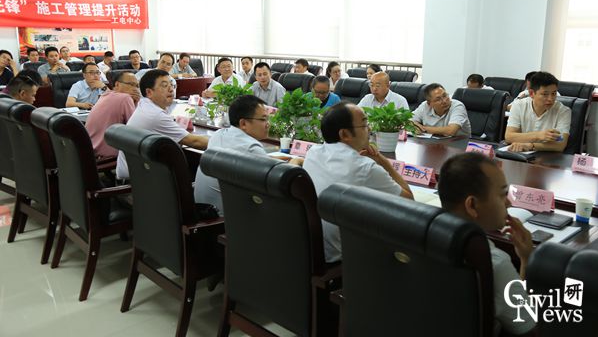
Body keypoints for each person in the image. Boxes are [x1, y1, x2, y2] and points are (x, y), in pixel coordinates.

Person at [437, 153, 536, 336]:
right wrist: (527, 261)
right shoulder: (494, 263)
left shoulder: (422, 236)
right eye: (502, 194)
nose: (509, 202)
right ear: (472, 205)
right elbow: (529, 328)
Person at [303, 102, 413, 262]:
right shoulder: (365, 167)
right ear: (345, 134)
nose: (370, 129)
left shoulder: (313, 152)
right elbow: (409, 201)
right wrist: (384, 162)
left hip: (311, 249)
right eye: (365, 124)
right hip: (344, 256)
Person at [194, 95, 303, 215]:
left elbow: (239, 157)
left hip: (203, 209)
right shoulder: (251, 147)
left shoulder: (219, 134)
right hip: (225, 219)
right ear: (243, 123)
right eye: (263, 119)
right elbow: (281, 183)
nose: (268, 124)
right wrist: (296, 162)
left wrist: (269, 160)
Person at [116, 70, 209, 180]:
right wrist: (222, 142)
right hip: (141, 177)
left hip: (138, 166)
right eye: (164, 86)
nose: (171, 89)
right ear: (149, 92)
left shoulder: (145, 104)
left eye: (172, 84)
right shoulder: (155, 115)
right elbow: (195, 142)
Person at [505, 71, 570, 152]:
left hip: (549, 156)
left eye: (553, 94)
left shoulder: (563, 111)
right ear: (532, 93)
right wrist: (538, 135)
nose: (550, 99)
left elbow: (560, 145)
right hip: (520, 154)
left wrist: (531, 145)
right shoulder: (518, 105)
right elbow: (509, 137)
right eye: (545, 94)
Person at [85, 71, 140, 158]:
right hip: (108, 156)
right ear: (117, 84)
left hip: (90, 152)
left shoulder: (105, 95)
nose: (135, 89)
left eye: (137, 86)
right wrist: (136, 103)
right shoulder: (125, 98)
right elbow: (136, 130)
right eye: (131, 84)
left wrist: (135, 102)